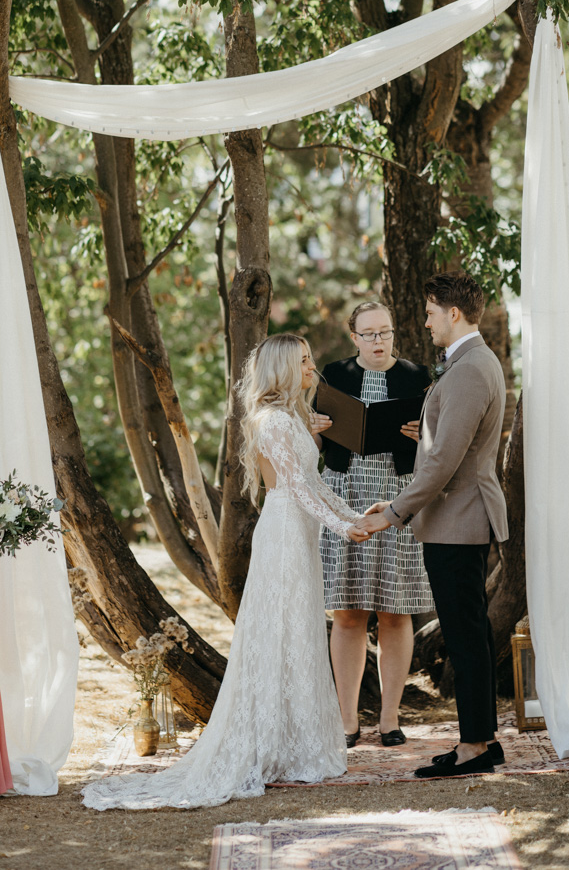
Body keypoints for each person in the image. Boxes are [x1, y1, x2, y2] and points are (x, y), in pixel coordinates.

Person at [82, 334, 369, 810]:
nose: (311, 368)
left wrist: (354, 517)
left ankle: (293, 745)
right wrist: (344, 528)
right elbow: (296, 488)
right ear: (281, 369)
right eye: (302, 362)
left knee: (298, 633)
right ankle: (273, 747)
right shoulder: (273, 420)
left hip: (300, 534)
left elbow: (315, 483)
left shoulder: (293, 418)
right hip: (282, 536)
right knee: (281, 631)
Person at [359, 272, 508, 777]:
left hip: (457, 520)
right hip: (455, 517)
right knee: (473, 633)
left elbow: (445, 460)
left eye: (429, 313)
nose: (424, 322)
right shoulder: (469, 363)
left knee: (466, 638)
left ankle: (472, 748)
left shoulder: (469, 369)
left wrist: (396, 513)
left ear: (454, 313)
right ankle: (484, 739)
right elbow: (442, 446)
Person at [313, 302, 433, 747]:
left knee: (396, 611)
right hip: (343, 494)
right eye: (369, 334)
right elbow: (316, 437)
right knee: (347, 613)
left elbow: (438, 442)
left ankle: (389, 718)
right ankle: (347, 720)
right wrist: (316, 427)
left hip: (396, 494)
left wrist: (426, 436)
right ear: (355, 338)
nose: (379, 341)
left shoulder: (417, 376)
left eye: (385, 332)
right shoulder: (333, 373)